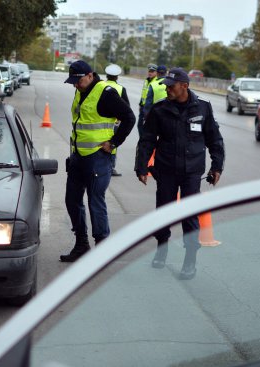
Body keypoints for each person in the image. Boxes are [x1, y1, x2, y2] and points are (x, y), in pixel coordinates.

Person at [134, 67, 225, 279]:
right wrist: (141, 166)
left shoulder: (203, 108)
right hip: (165, 170)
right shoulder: (159, 110)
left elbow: (214, 139)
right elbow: (147, 140)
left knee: (189, 215)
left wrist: (217, 166)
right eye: (165, 85)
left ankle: (190, 260)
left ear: (185, 86)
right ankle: (161, 250)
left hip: (192, 172)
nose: (167, 89)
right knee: (163, 211)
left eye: (171, 86)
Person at [60, 60, 136, 262]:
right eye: (73, 82)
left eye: (79, 81)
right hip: (78, 156)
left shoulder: (106, 92)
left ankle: (102, 250)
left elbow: (129, 117)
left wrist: (113, 143)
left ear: (90, 75)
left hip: (98, 158)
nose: (76, 85)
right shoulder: (80, 91)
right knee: (72, 200)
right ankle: (82, 244)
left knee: (95, 201)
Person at [104, 63, 130, 177]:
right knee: (112, 145)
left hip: (98, 122)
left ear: (106, 75)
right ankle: (111, 167)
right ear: (117, 77)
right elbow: (126, 108)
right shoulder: (120, 89)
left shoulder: (99, 86)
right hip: (113, 123)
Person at [137, 64, 158, 136]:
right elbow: (143, 93)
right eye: (149, 71)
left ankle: (145, 144)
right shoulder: (146, 80)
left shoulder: (157, 82)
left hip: (151, 108)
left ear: (156, 72)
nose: (150, 73)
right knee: (140, 126)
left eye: (152, 71)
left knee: (148, 128)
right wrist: (140, 104)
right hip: (143, 107)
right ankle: (141, 142)